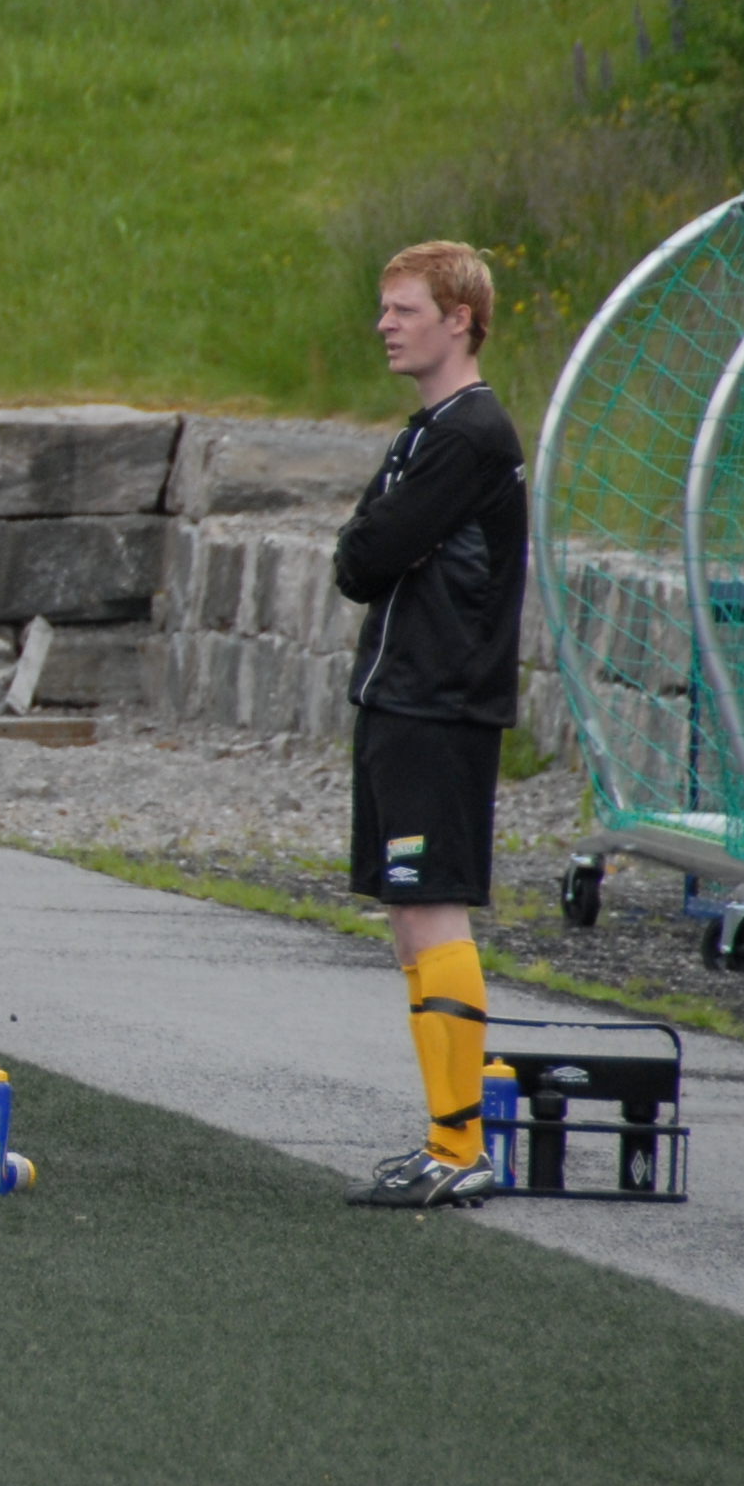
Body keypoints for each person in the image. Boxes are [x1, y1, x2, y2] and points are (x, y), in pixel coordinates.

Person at [333, 239, 531, 1211]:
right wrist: (375, 539)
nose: (384, 324)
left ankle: (460, 1144)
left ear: (459, 320)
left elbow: (368, 555)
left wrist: (377, 540)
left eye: (403, 309)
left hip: (440, 703)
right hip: (397, 699)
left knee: (431, 905)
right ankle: (443, 1137)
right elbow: (361, 553)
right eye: (383, 308)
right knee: (407, 915)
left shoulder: (470, 435)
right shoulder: (428, 431)